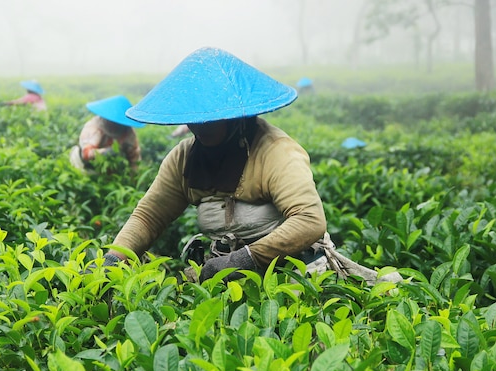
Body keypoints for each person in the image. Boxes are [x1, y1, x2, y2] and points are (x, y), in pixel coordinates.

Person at [97, 47, 401, 285]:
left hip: (292, 273)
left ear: (234, 115)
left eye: (210, 118)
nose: (199, 127)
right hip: (224, 277)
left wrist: (243, 259)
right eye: (193, 118)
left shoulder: (275, 151)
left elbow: (309, 220)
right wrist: (114, 257)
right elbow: (149, 216)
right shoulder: (184, 157)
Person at [69, 95, 145, 174]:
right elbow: (86, 154)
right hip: (84, 164)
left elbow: (134, 157)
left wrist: (134, 175)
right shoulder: (95, 127)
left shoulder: (128, 133)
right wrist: (107, 152)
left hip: (109, 169)